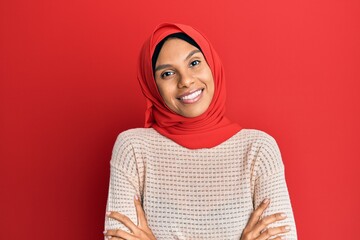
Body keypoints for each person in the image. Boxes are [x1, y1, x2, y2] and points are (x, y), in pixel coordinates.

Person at [103, 23, 297, 240]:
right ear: (152, 85)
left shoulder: (258, 149)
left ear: (212, 66)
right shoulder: (133, 148)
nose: (185, 81)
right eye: (167, 73)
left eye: (194, 63)